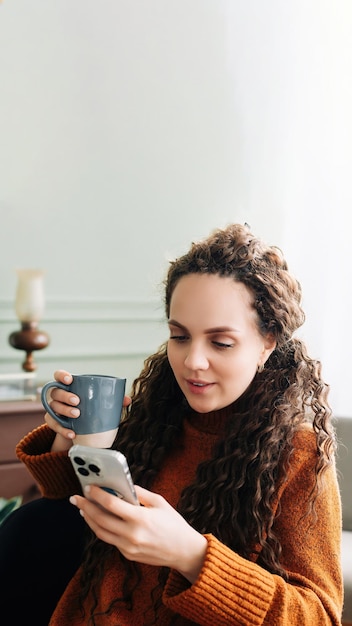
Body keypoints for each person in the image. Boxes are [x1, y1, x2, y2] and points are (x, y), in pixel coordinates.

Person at [0, 223, 343, 625]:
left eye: (221, 342)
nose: (192, 361)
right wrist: (68, 440)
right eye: (180, 336)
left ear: (267, 341)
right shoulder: (157, 417)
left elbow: (317, 617)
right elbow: (63, 521)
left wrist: (190, 554)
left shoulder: (299, 452)